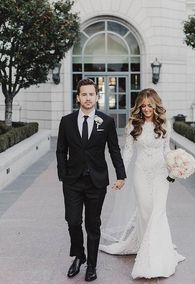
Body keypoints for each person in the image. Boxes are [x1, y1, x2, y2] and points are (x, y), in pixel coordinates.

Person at [100, 88, 185, 279]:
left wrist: (175, 167)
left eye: (150, 105)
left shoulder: (165, 123)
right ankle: (146, 246)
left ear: (156, 105)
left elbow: (166, 149)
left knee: (158, 211)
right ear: (139, 106)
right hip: (140, 172)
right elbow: (128, 151)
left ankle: (156, 255)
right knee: (145, 211)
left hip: (161, 173)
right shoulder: (133, 124)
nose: (146, 109)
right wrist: (121, 175)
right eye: (143, 106)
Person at [56, 78, 126, 282]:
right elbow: (61, 149)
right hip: (72, 181)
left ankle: (92, 265)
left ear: (97, 97)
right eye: (84, 94)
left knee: (93, 225)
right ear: (78, 97)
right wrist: (63, 172)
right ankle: (79, 256)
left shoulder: (106, 121)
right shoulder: (66, 121)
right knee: (73, 221)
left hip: (96, 182)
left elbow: (114, 149)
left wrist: (121, 175)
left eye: (91, 94)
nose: (88, 98)